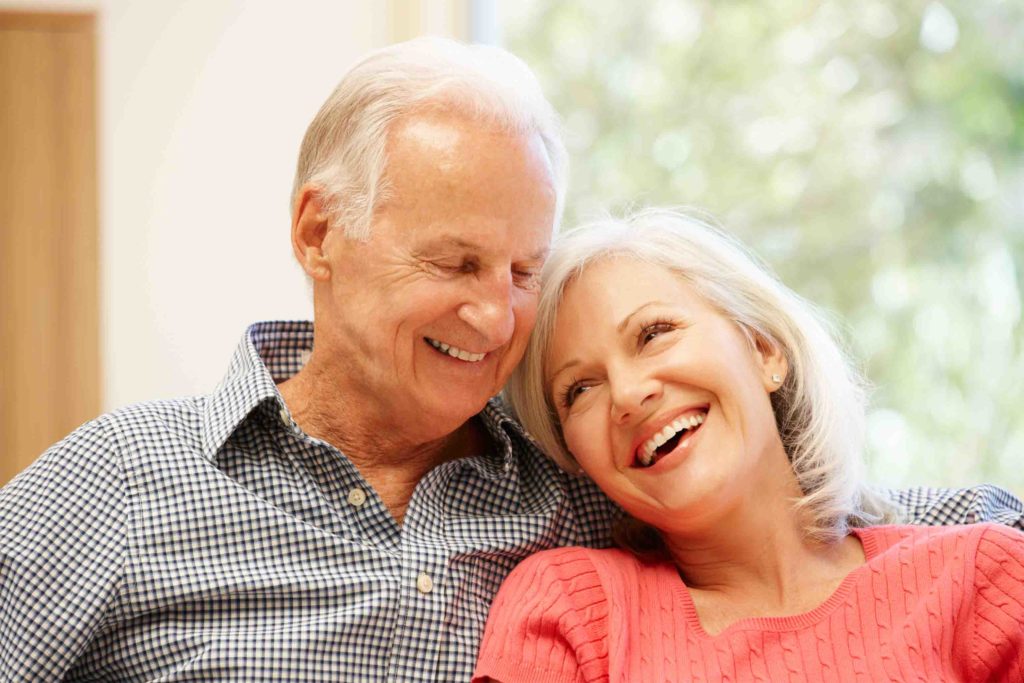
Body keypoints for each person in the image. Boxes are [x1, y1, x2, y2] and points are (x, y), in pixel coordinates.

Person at [0, 38, 1019, 683]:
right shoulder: (122, 484)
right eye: (456, 262)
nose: (494, 315)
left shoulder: (578, 484)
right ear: (319, 232)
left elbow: (828, 524)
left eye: (524, 269)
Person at [473, 208, 1024, 683]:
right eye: (580, 390)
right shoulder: (572, 611)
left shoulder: (982, 575)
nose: (628, 394)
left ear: (764, 352)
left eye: (654, 333)